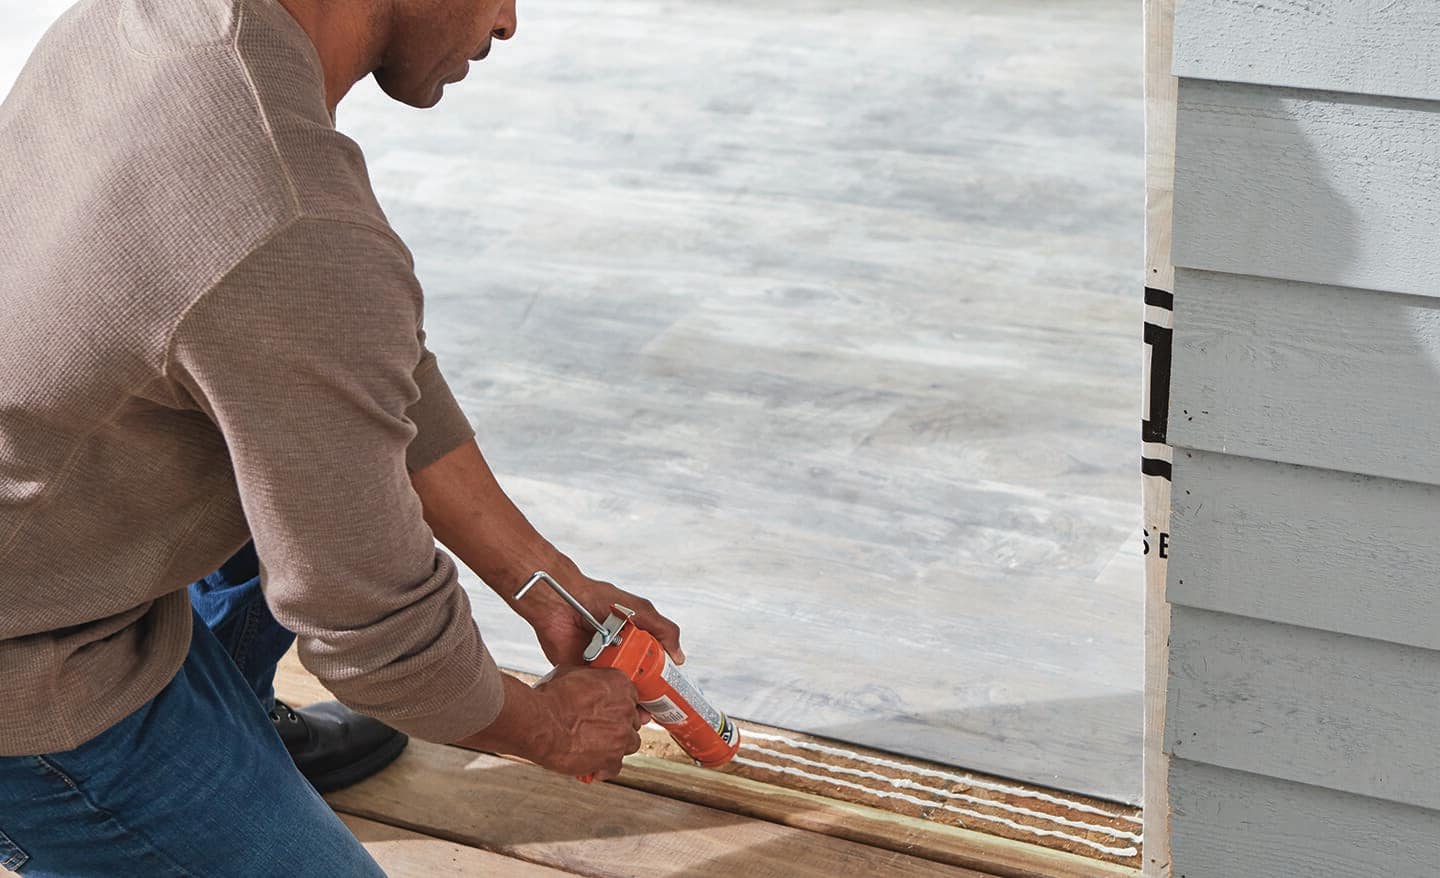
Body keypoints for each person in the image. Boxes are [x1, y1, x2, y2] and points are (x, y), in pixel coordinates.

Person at [0, 0, 686, 874]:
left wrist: (548, 586)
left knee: (301, 413)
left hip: (43, 527)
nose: (510, 22)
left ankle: (236, 720)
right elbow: (377, 638)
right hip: (30, 670)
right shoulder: (287, 211)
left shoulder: (159, 23)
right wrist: (549, 726)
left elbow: (348, 355)